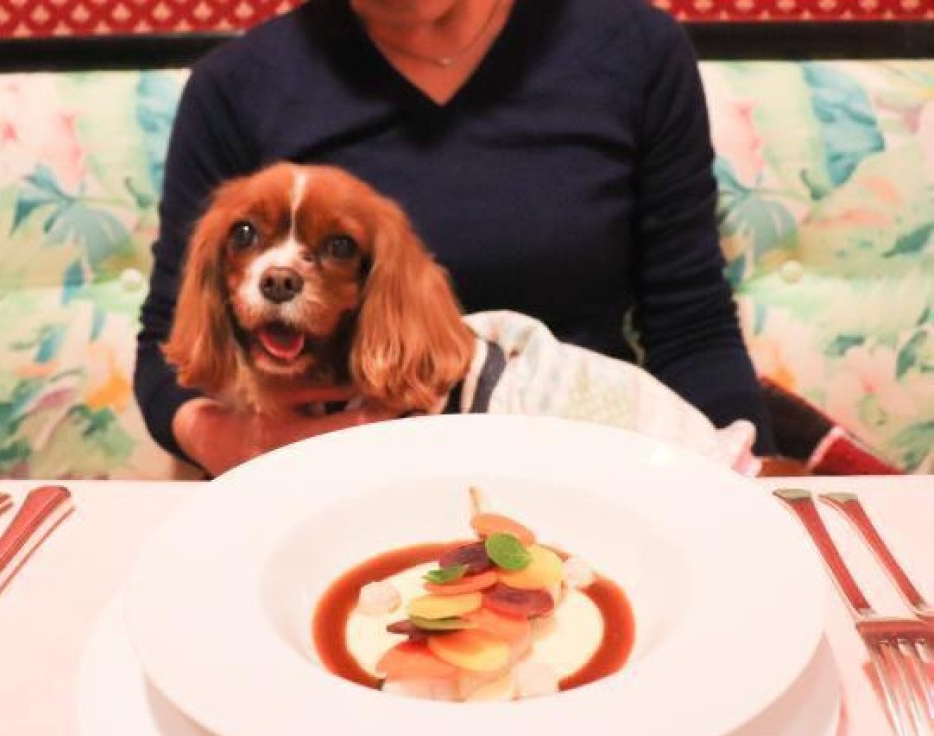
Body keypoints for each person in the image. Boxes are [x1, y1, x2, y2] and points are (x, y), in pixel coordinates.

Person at [135, 0, 776, 477]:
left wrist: (749, 491)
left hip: (587, 462)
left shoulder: (634, 49)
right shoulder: (236, 86)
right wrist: (238, 443)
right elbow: (170, 345)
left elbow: (692, 329)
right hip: (318, 485)